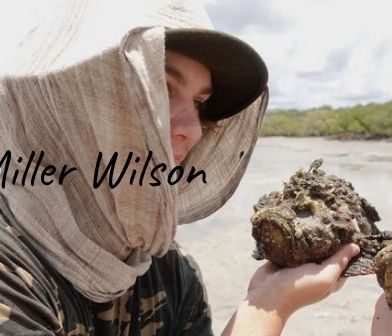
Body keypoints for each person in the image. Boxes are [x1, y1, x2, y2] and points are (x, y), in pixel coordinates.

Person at [0, 1, 359, 335]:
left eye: (201, 103)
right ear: (59, 93)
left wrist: (266, 299)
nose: (191, 128)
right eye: (159, 87)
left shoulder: (169, 271)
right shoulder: (10, 272)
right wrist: (267, 310)